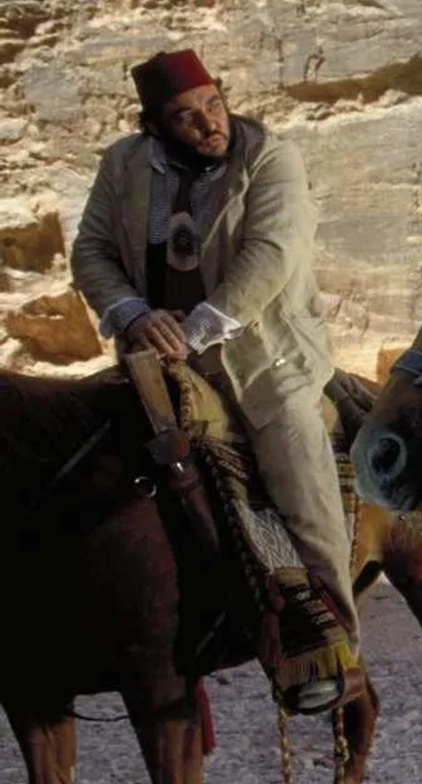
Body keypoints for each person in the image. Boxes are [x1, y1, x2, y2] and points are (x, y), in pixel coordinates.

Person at [71, 49, 358, 715]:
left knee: (298, 467)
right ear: (155, 126)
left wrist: (195, 330)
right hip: (155, 356)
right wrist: (135, 316)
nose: (206, 124)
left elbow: (273, 252)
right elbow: (90, 251)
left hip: (264, 358)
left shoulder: (269, 157)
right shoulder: (123, 165)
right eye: (184, 115)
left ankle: (331, 640)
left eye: (212, 104)